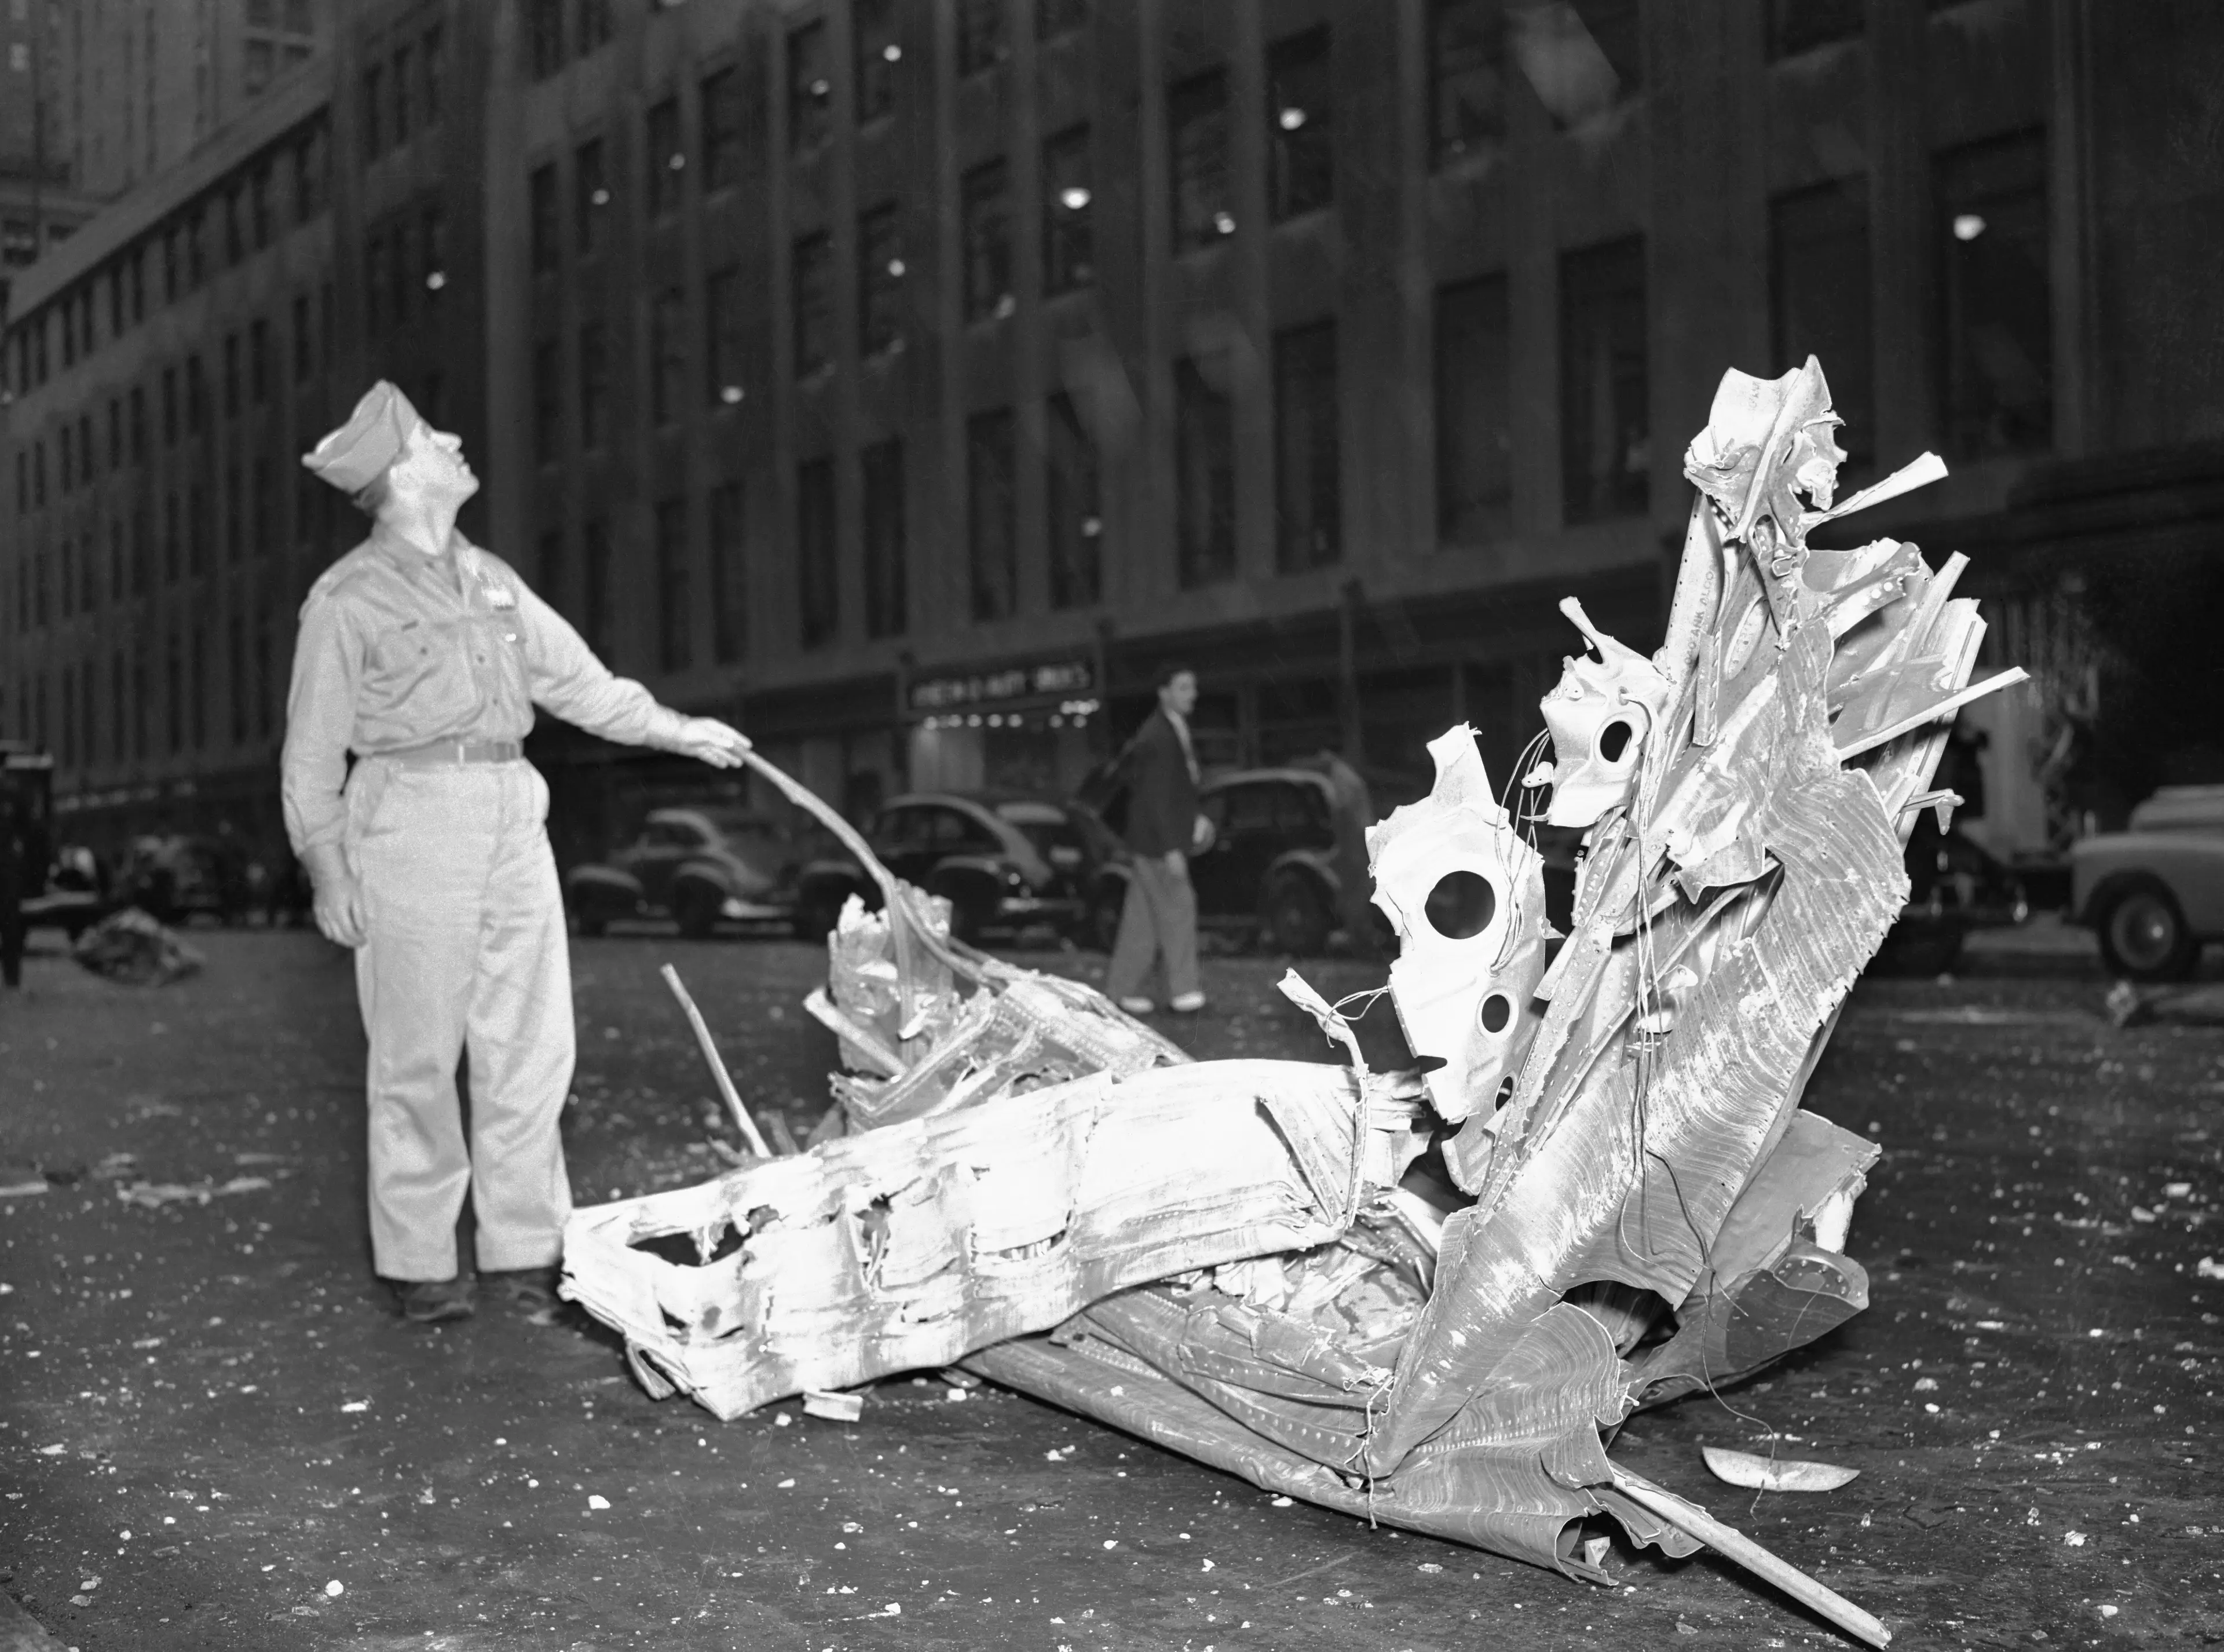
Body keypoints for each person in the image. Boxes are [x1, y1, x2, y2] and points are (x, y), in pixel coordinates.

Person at [283, 381, 750, 1325]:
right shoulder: (346, 598)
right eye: (432, 436)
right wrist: (326, 864)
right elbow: (310, 749)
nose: (454, 439)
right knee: (418, 1052)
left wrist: (679, 729)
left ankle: (526, 1244)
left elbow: (581, 684)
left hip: (511, 805)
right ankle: (420, 1261)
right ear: (402, 474)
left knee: (533, 1043)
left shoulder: (491, 577)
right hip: (411, 812)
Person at [1106, 663, 1206, 1015]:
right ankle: (1184, 990)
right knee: (1180, 909)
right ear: (1164, 692)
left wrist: (1194, 818)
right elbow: (1155, 797)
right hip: (1157, 846)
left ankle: (1124, 989)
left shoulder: (1164, 729)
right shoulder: (1161, 735)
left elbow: (1169, 792)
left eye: (1192, 687)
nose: (1191, 694)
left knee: (1143, 919)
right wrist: (1171, 848)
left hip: (1148, 842)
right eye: (1183, 688)